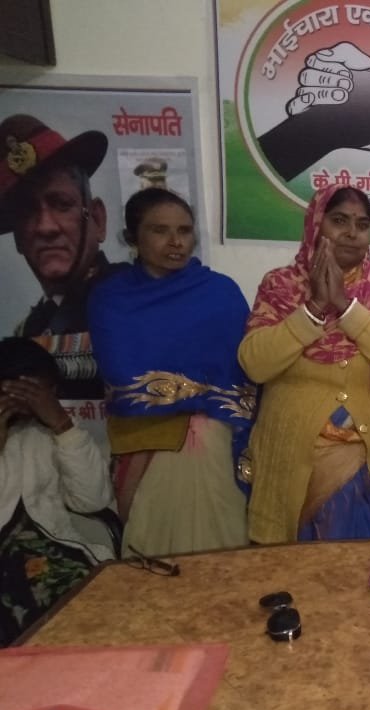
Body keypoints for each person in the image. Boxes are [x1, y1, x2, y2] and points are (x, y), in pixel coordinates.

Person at [239, 185, 370, 544]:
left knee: (367, 571)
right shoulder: (280, 287)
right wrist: (313, 308)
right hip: (291, 461)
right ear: (317, 224)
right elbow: (256, 364)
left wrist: (345, 306)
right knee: (294, 571)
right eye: (339, 221)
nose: (351, 233)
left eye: (362, 224)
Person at [88, 188, 254, 557]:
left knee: (224, 552)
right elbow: (121, 373)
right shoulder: (111, 298)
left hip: (216, 445)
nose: (176, 242)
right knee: (154, 556)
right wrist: (204, 389)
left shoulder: (220, 293)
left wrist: (194, 392)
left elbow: (245, 370)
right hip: (146, 442)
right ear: (133, 237)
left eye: (184, 230)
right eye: (159, 230)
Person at [0, 114, 126, 399]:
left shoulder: (138, 300)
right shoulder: (29, 329)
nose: (45, 227)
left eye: (61, 204)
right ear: (18, 238)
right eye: (28, 211)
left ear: (97, 219)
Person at [0, 338, 116, 647]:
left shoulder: (51, 432)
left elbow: (92, 500)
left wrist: (63, 426)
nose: (33, 403)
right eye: (22, 393)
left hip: (53, 549)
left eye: (42, 394)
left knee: (91, 596)